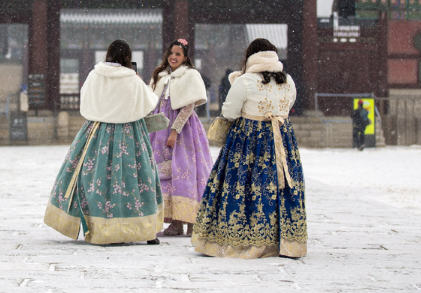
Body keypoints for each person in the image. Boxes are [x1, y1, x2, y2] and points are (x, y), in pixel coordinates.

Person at [192, 38, 307, 258]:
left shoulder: (244, 81)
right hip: (282, 138)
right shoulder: (288, 80)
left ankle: (244, 240)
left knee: (245, 186)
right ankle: (284, 242)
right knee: (279, 187)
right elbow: (288, 104)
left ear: (251, 57)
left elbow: (230, 111)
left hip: (249, 139)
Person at [44, 39, 163, 245]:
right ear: (128, 57)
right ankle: (143, 228)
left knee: (94, 177)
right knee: (135, 180)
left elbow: (86, 98)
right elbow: (149, 103)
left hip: (97, 132)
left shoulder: (94, 74)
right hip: (128, 133)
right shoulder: (131, 79)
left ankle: (100, 226)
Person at [149, 38, 212, 237]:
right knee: (166, 174)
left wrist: (175, 131)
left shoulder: (190, 75)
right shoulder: (161, 76)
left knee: (186, 171)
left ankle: (192, 220)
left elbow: (188, 106)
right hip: (160, 129)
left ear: (185, 57)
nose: (173, 57)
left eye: (178, 54)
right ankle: (175, 222)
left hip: (183, 130)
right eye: (171, 53)